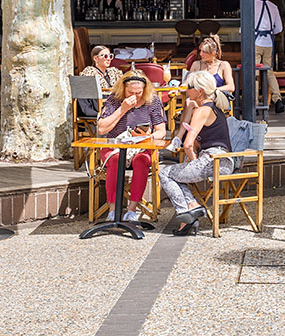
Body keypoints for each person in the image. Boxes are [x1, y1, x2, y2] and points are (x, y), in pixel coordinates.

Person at [159, 71, 233, 236]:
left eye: (190, 87)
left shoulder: (202, 111)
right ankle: (191, 207)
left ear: (199, 91)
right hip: (223, 161)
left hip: (214, 161)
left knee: (164, 173)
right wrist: (189, 106)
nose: (186, 90)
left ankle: (185, 214)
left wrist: (193, 161)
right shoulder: (214, 107)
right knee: (178, 176)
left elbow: (188, 143)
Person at [97, 70, 166, 222]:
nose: (135, 95)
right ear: (123, 89)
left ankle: (132, 210)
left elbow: (161, 131)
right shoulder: (114, 100)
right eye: (130, 92)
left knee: (141, 160)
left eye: (139, 92)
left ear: (145, 90)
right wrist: (123, 109)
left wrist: (147, 136)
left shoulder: (152, 101)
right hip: (115, 146)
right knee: (115, 160)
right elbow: (102, 128)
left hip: (140, 146)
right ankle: (113, 210)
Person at [169, 35, 234, 149]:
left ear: (214, 52)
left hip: (214, 99)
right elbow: (187, 83)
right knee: (190, 102)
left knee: (192, 104)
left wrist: (212, 90)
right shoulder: (196, 64)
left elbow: (231, 86)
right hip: (198, 99)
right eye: (201, 51)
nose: (201, 54)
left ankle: (184, 140)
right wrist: (177, 88)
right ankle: (180, 139)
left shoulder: (223, 65)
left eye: (205, 52)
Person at [254, 0, 284, 113]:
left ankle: (254, 103)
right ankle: (278, 100)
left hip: (255, 42)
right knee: (269, 71)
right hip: (269, 43)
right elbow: (279, 28)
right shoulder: (273, 6)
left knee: (255, 73)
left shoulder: (251, 5)